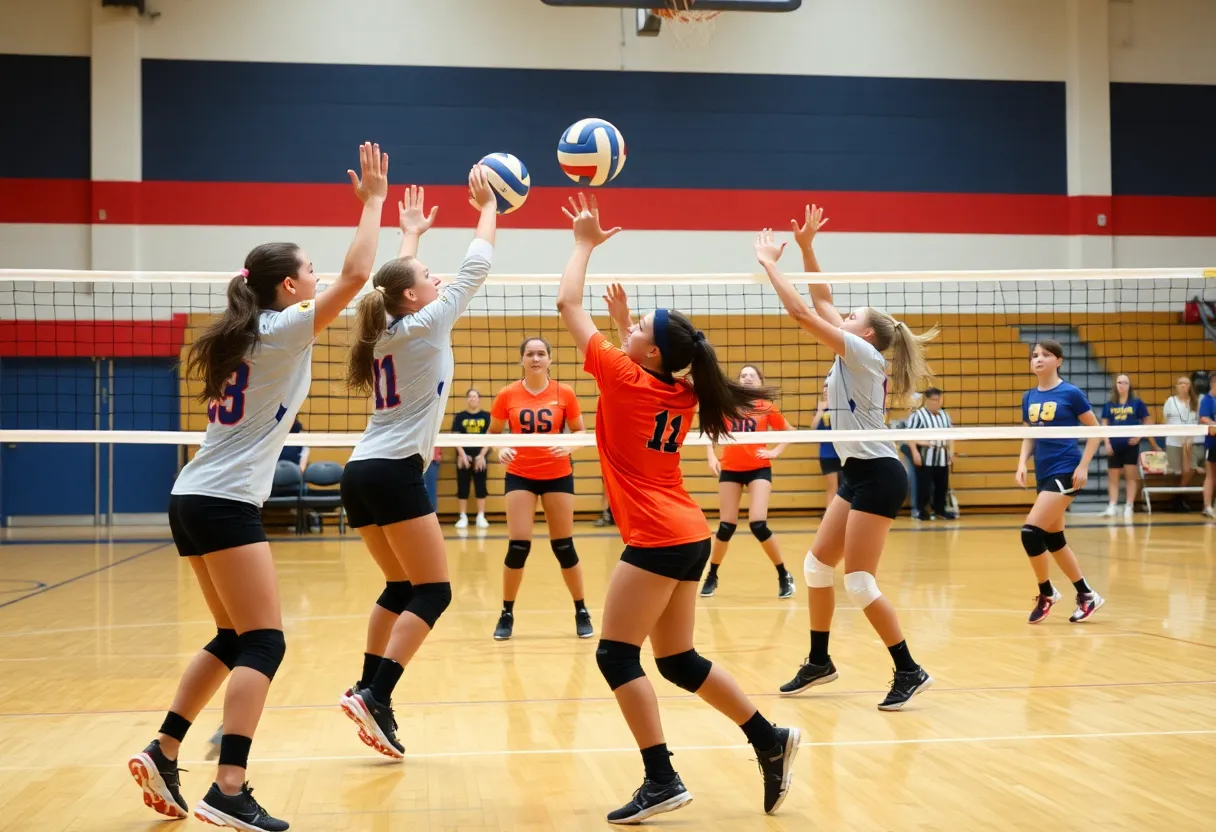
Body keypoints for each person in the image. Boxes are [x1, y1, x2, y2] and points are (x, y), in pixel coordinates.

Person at [127, 142, 389, 831]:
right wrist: (371, 201)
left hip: (193, 494)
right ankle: (229, 787)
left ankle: (163, 749)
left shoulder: (248, 332)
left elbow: (345, 276)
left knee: (228, 636)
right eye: (308, 270)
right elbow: (361, 271)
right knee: (264, 642)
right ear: (288, 287)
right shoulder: (281, 330)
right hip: (220, 501)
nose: (317, 275)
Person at [556, 194, 799, 823]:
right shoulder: (683, 390)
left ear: (654, 354)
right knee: (678, 660)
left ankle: (661, 778)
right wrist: (631, 328)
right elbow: (641, 368)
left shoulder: (626, 375)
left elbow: (566, 305)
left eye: (639, 329)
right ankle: (768, 740)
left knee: (615, 655)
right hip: (687, 531)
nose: (629, 330)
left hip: (661, 537)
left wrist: (583, 242)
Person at [336, 171, 497, 759]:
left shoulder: (385, 331)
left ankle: (365, 685)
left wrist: (410, 237)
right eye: (429, 277)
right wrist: (490, 206)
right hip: (393, 471)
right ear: (414, 297)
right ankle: (377, 694)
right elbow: (477, 264)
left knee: (400, 584)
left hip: (360, 472)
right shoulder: (428, 322)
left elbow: (394, 285)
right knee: (434, 591)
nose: (437, 278)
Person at [755, 206, 935, 711]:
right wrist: (809, 247)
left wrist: (773, 263)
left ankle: (909, 669)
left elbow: (802, 312)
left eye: (853, 317)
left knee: (857, 579)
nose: (843, 315)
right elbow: (824, 299)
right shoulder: (857, 347)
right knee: (816, 567)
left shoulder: (863, 354)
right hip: (857, 472)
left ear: (868, 335)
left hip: (880, 475)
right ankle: (820, 661)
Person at [487, 338, 592, 640]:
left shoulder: (565, 393)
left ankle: (581, 609)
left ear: (549, 359)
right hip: (520, 474)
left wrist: (570, 445)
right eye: (530, 354)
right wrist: (501, 448)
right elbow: (494, 434)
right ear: (522, 359)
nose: (535, 358)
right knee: (518, 546)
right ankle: (506, 612)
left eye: (541, 353)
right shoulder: (507, 394)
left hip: (557, 474)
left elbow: (581, 432)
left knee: (564, 546)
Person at [1017, 339, 1105, 624]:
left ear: (1059, 361)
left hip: (1066, 469)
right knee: (1055, 540)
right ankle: (1087, 594)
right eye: (1034, 355)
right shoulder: (1028, 396)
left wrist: (1083, 465)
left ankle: (1047, 592)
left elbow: (1096, 430)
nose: (1038, 359)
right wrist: (1021, 463)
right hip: (1044, 473)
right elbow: (1030, 434)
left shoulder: (1071, 393)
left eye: (1045, 355)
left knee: (1030, 533)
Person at [700, 364, 795, 599]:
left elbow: (789, 431)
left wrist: (775, 452)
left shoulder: (766, 407)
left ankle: (783, 575)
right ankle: (712, 574)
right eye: (743, 375)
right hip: (731, 469)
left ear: (760, 381)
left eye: (752, 375)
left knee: (758, 524)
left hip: (758, 469)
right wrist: (711, 456)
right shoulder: (728, 404)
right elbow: (709, 431)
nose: (748, 378)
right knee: (726, 527)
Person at [1100, 374, 1157, 517]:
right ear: (1115, 385)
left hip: (1130, 445)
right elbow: (1104, 424)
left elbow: (1148, 420)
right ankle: (1112, 505)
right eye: (1119, 382)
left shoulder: (1137, 403)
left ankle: (1129, 505)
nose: (1121, 385)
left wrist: (1139, 436)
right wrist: (1106, 442)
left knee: (1131, 476)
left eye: (1125, 383)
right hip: (1114, 444)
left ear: (1129, 386)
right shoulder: (1109, 404)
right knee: (1113, 476)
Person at [906, 387, 956, 520]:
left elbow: (951, 435)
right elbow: (909, 436)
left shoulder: (945, 415)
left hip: (942, 456)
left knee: (942, 485)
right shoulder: (918, 415)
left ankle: (940, 510)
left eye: (939, 399)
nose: (937, 402)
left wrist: (951, 452)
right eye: (934, 400)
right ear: (927, 400)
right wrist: (915, 452)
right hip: (925, 456)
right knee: (924, 486)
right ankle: (921, 511)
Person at [451, 388, 491, 528]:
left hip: (480, 456)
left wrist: (482, 456)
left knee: (481, 486)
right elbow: (455, 438)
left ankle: (481, 516)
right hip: (464, 457)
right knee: (463, 487)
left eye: (475, 396)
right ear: (467, 399)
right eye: (470, 397)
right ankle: (463, 516)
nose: (473, 399)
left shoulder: (486, 416)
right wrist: (462, 455)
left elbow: (490, 438)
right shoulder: (460, 417)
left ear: (479, 399)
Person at [1163, 375, 1201, 509]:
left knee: (1191, 469)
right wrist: (1180, 437)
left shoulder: (1195, 402)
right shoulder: (1170, 401)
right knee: (1176, 471)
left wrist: (1189, 439)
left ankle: (1178, 494)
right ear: (1176, 387)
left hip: (1190, 440)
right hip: (1174, 441)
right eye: (1180, 383)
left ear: (1190, 387)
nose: (1183, 386)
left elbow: (1197, 422)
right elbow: (1166, 422)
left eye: (1185, 383)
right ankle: (1180, 497)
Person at [810, 383, 840, 510]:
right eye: (825, 388)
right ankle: (829, 515)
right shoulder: (820, 408)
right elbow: (813, 428)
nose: (826, 390)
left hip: (844, 452)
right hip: (827, 454)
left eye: (829, 388)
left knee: (846, 487)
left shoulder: (842, 407)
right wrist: (820, 411)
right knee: (833, 486)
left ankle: (844, 515)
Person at [1200, 388, 1216, 518]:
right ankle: (1207, 506)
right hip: (1213, 443)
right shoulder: (1207, 400)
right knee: (1211, 474)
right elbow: (1203, 418)